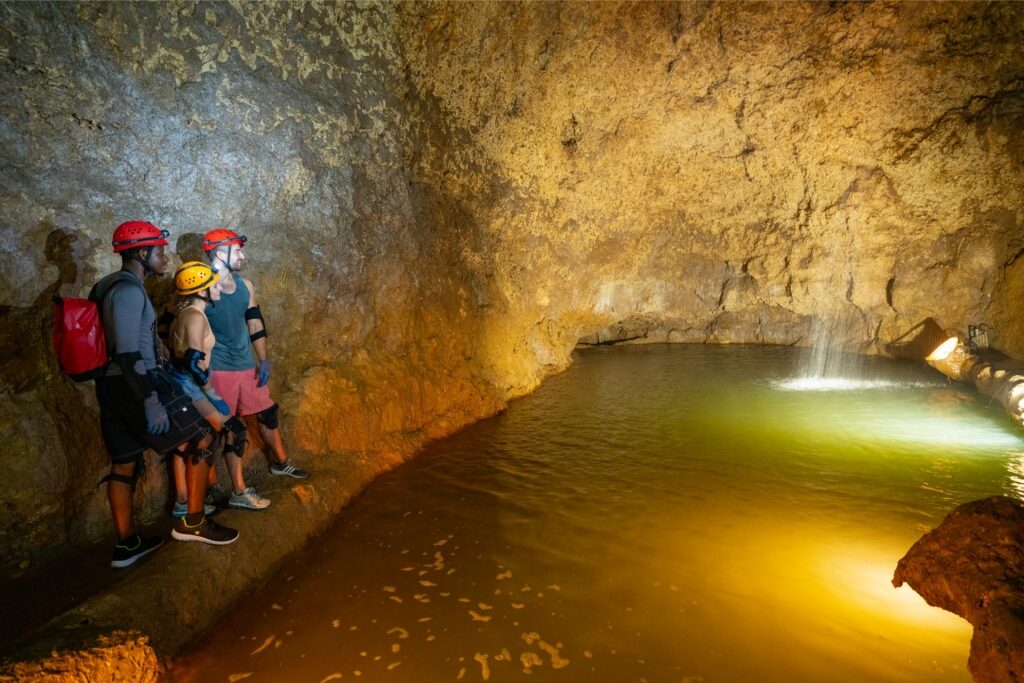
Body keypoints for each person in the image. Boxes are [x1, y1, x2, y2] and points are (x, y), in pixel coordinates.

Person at [92, 221, 238, 568]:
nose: (163, 255)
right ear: (141, 253)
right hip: (137, 383)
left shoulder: (104, 286)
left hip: (110, 385)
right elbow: (129, 353)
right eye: (158, 250)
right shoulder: (128, 291)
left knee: (124, 462)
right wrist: (151, 399)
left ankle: (128, 544)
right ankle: (194, 521)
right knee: (203, 434)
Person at [202, 228, 309, 480]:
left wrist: (263, 360)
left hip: (245, 365)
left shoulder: (245, 285)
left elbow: (254, 323)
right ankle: (216, 486)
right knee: (224, 428)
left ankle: (281, 462)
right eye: (237, 250)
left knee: (267, 413)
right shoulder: (202, 286)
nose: (243, 255)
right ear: (219, 253)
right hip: (219, 369)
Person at [168, 261, 270, 512]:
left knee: (195, 440)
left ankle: (187, 500)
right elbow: (193, 361)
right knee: (230, 430)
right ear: (202, 291)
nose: (217, 288)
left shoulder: (191, 313)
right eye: (212, 285)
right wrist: (211, 393)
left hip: (189, 385)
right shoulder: (194, 316)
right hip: (192, 387)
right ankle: (231, 493)